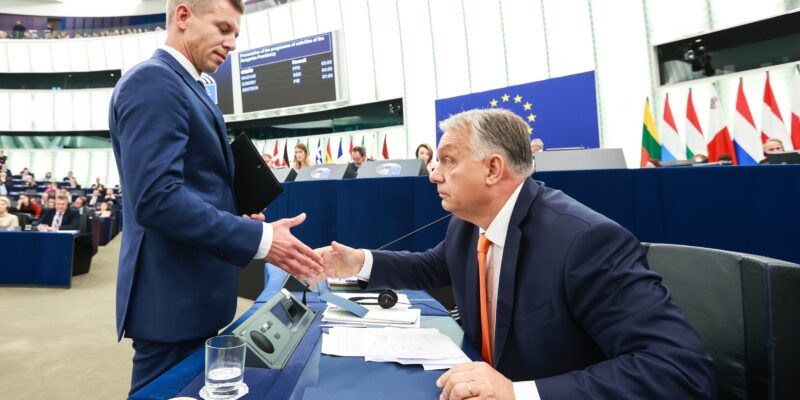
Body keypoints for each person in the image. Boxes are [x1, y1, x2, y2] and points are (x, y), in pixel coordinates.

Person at [313, 109, 715, 399]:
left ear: (493, 169)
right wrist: (359, 262)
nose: (433, 174)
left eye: (448, 161)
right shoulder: (468, 226)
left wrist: (519, 393)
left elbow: (679, 371)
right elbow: (433, 266)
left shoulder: (586, 242)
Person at [107, 0, 324, 394]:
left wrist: (236, 218)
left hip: (193, 299)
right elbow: (157, 199)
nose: (232, 44)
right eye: (224, 29)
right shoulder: (155, 81)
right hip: (171, 304)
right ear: (183, 16)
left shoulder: (188, 86)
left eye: (236, 34)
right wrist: (261, 240)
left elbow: (190, 190)